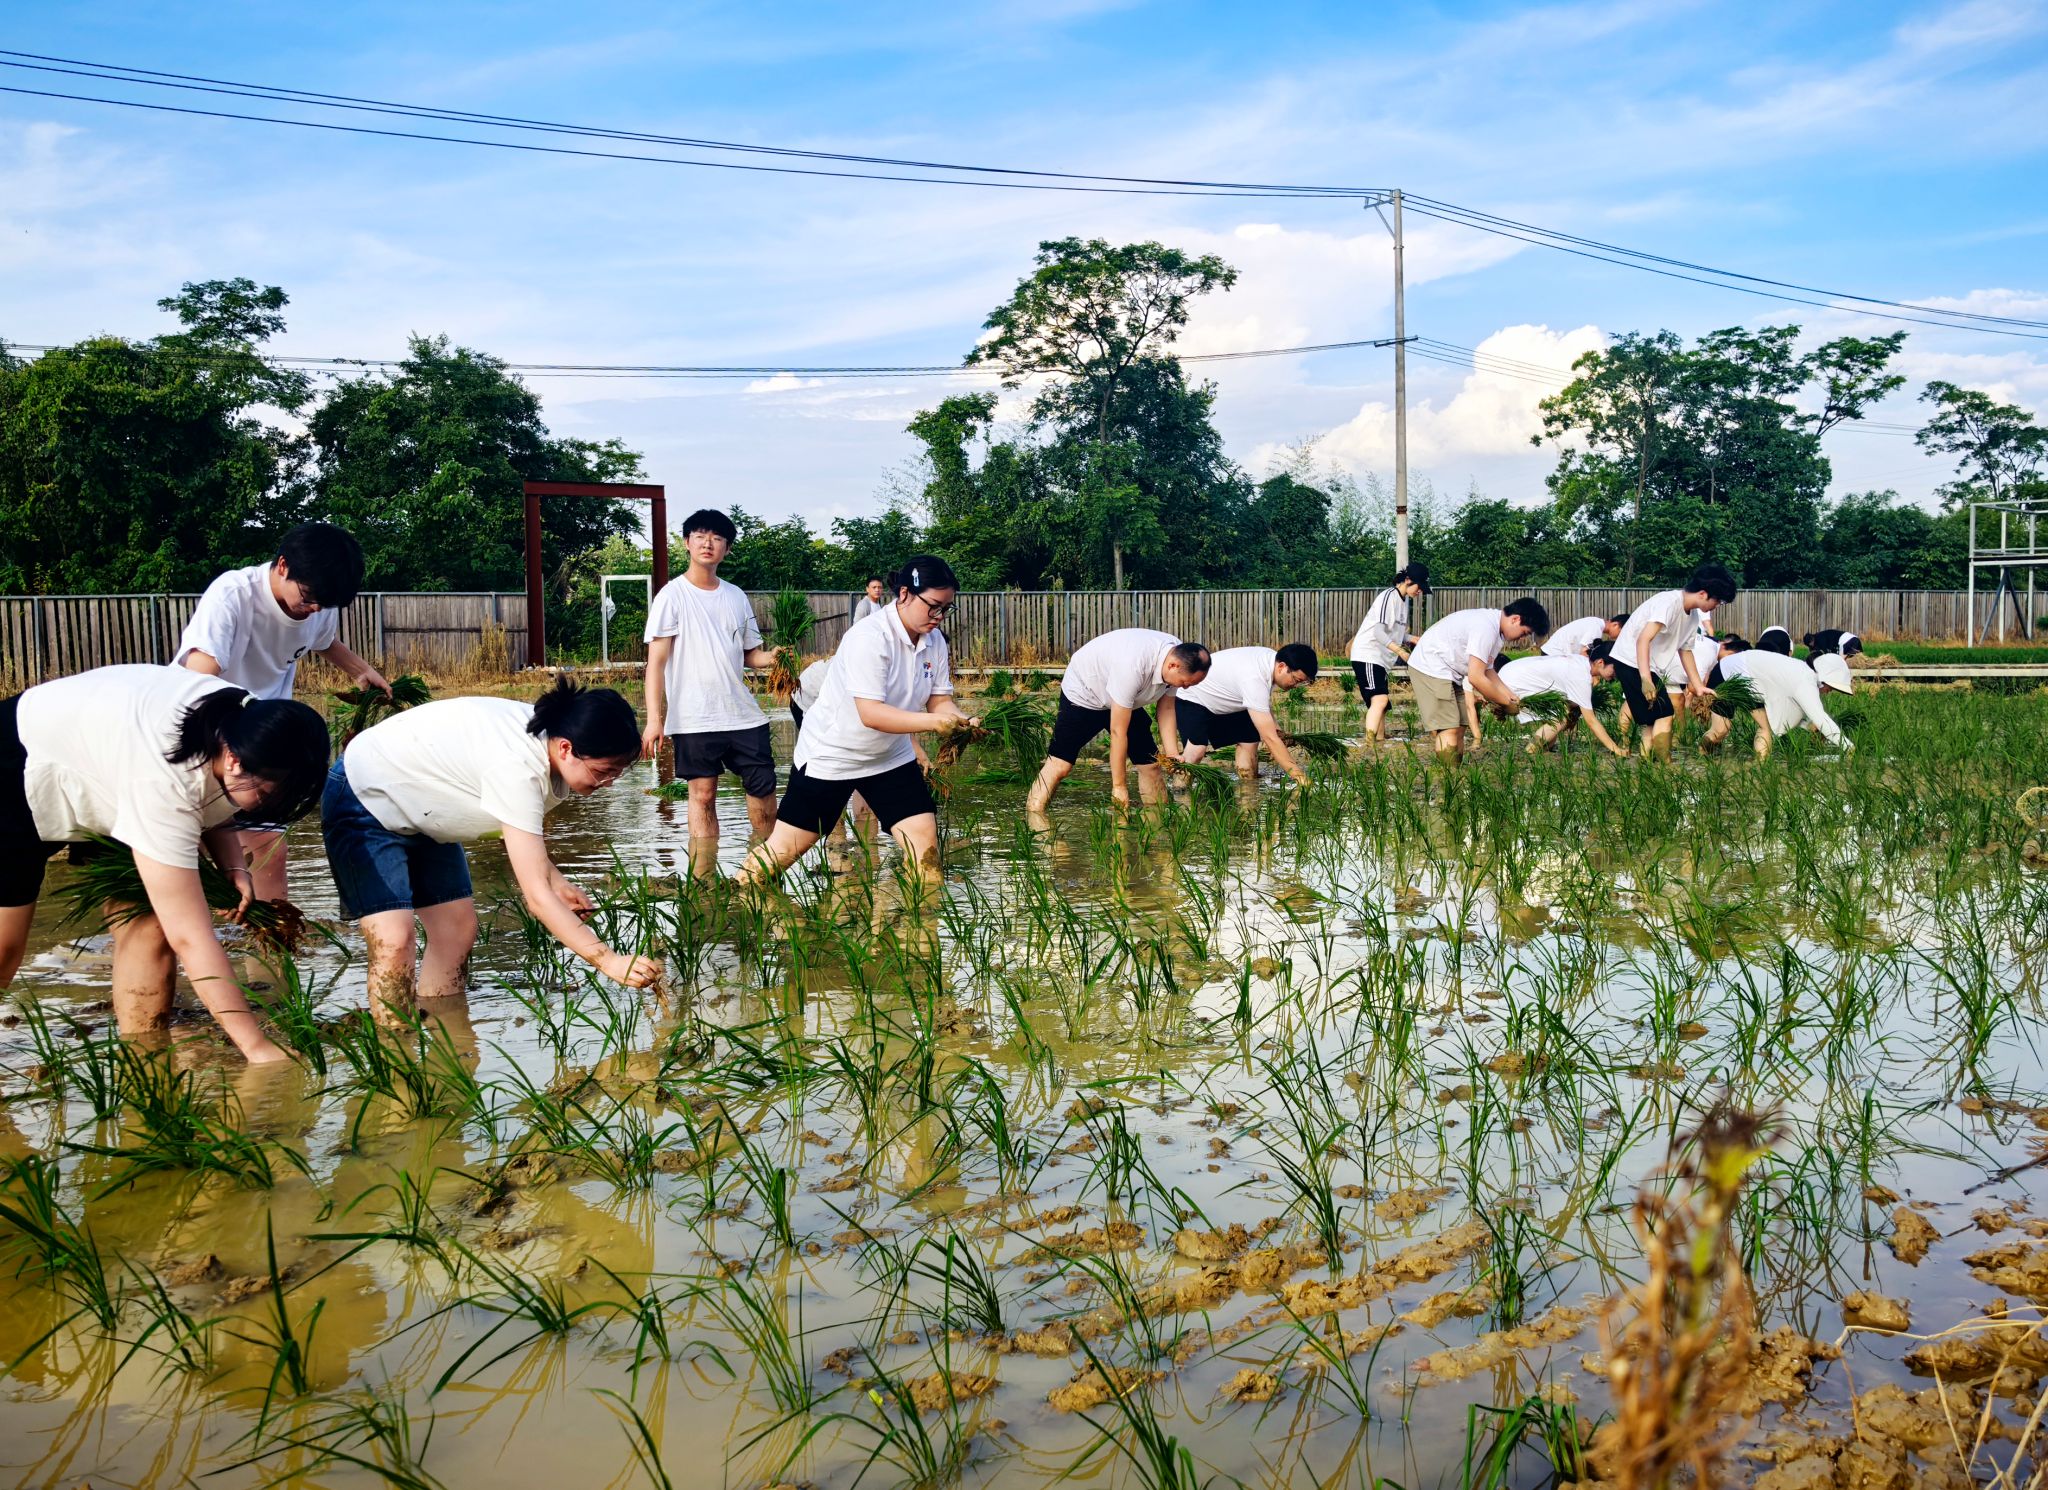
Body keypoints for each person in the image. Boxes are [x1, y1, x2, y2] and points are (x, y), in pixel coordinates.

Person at [0, 665, 329, 1063]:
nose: (265, 811)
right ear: (235, 760)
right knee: (6, 948)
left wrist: (234, 868)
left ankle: (145, 1060)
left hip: (111, 763)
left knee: (148, 924)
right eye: (267, 797)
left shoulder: (249, 725)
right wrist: (256, 1047)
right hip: (19, 766)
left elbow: (214, 798)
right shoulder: (163, 786)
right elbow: (191, 938)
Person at [323, 678, 659, 1013]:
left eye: (617, 774)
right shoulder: (519, 768)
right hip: (365, 795)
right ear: (566, 749)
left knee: (456, 930)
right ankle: (394, 1040)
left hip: (425, 807)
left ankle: (447, 1030)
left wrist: (556, 881)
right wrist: (608, 960)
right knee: (394, 940)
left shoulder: (553, 740)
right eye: (604, 771)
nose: (608, 783)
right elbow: (537, 900)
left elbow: (514, 829)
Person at [174, 521, 388, 921]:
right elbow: (195, 681)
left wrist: (361, 671)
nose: (314, 610)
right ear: (284, 565)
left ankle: (271, 941)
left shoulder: (317, 606)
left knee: (269, 851)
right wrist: (225, 748)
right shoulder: (234, 596)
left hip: (268, 748)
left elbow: (323, 641)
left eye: (324, 605)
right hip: (209, 740)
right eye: (308, 599)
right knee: (191, 858)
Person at [740, 557, 974, 883]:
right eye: (933, 606)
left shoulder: (934, 641)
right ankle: (738, 895)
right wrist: (934, 723)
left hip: (889, 757)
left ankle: (921, 914)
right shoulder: (870, 637)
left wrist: (965, 720)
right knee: (782, 852)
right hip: (833, 756)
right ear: (904, 594)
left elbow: (940, 701)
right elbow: (871, 714)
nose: (939, 617)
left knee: (926, 852)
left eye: (946, 609)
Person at [640, 509, 779, 847]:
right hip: (694, 716)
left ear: (726, 549)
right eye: (700, 536)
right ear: (687, 543)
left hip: (742, 714)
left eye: (717, 538)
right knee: (702, 794)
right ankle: (704, 871)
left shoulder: (736, 596)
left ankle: (767, 862)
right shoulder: (671, 596)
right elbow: (656, 663)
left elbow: (751, 655)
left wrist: (774, 658)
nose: (708, 543)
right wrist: (654, 720)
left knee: (763, 785)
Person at [1026, 630, 1212, 812]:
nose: (1186, 688)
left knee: (1151, 765)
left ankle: (1158, 823)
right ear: (1172, 665)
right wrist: (1119, 787)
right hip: (1085, 695)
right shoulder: (1133, 665)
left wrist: (1171, 753)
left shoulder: (1179, 656)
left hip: (1126, 698)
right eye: (1185, 683)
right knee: (1061, 765)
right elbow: (1118, 733)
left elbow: (1167, 708)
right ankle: (1034, 816)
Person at [1611, 564, 1738, 761]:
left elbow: (1685, 651)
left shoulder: (1692, 617)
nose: (1717, 606)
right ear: (1703, 594)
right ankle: (1665, 763)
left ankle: (1646, 761)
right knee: (1665, 713)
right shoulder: (1669, 603)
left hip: (1646, 664)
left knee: (1652, 718)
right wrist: (1645, 679)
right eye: (1718, 601)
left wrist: (1698, 686)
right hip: (1631, 660)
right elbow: (1643, 639)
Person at [1406, 600, 1550, 761]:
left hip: (1450, 672)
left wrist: (1511, 696)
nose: (1522, 638)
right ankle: (1448, 774)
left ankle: (1455, 769)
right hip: (1431, 667)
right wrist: (1506, 703)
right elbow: (1476, 677)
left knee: (1460, 725)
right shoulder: (1486, 628)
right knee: (1449, 728)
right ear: (1515, 619)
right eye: (1524, 633)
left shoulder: (1496, 631)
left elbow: (1488, 670)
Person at [1174, 644, 1319, 784]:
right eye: (1296, 680)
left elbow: (1262, 703)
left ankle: (1248, 789)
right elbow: (1270, 738)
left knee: (1249, 742)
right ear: (1282, 667)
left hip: (1231, 698)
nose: (1296, 686)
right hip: (1194, 696)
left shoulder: (1271, 662)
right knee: (1196, 751)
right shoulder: (1254, 678)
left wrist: (1278, 730)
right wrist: (1300, 778)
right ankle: (1180, 791)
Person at [1703, 645, 1853, 758]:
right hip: (1729, 674)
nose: (1829, 691)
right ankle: (1704, 755)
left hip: (1742, 678)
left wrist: (1808, 725)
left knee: (1747, 728)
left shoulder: (1801, 672)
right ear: (1824, 678)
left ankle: (1757, 767)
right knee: (1726, 729)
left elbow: (1789, 711)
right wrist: (1849, 748)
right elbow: (1821, 719)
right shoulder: (1805, 681)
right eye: (1831, 687)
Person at [1499, 641, 1629, 757]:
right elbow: (1591, 721)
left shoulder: (1581, 662)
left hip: (1510, 673)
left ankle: (1542, 749)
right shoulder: (1581, 676)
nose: (1617, 674)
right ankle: (1530, 751)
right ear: (1600, 662)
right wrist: (1615, 749)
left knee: (1559, 718)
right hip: (1513, 683)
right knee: (1561, 717)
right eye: (1615, 669)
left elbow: (1571, 702)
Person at [1349, 564, 1429, 743]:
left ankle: (1380, 739)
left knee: (1382, 704)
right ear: (1408, 580)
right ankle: (1369, 743)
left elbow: (1395, 634)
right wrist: (1401, 652)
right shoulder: (1388, 596)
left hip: (1381, 660)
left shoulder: (1403, 602)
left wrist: (1414, 639)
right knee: (1380, 700)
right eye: (1419, 587)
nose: (1420, 592)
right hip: (1368, 654)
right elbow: (1378, 633)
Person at [1541, 613, 1626, 659]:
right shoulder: (1596, 628)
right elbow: (1584, 652)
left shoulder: (1595, 622)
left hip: (1551, 652)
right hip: (1554, 654)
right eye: (1621, 633)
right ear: (1615, 625)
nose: (1619, 637)